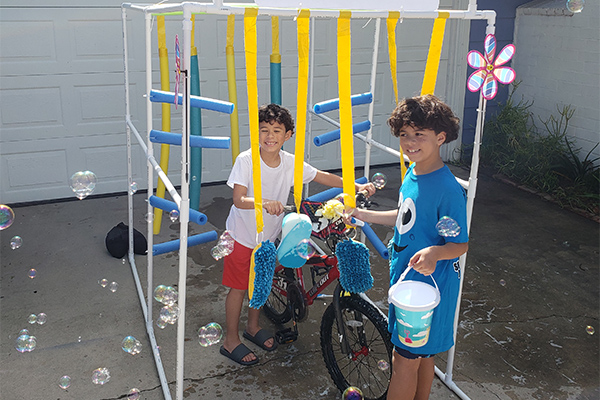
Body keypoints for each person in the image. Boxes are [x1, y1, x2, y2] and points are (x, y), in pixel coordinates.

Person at [220, 103, 375, 366]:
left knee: (262, 282)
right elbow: (238, 199)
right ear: (256, 133)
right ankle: (231, 339)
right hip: (242, 236)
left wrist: (355, 184)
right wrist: (263, 201)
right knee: (238, 289)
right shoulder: (246, 160)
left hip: (268, 237)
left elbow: (322, 176)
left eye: (276, 131)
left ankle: (253, 327)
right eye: (264, 130)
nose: (270, 136)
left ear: (287, 135)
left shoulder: (291, 162)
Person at [349, 94, 469, 400]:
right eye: (404, 134)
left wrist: (436, 252)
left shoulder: (447, 190)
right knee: (423, 356)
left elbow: (459, 243)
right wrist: (364, 215)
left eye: (419, 134)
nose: (409, 141)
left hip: (428, 288)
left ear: (441, 137)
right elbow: (404, 217)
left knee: (403, 360)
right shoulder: (413, 173)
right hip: (409, 281)